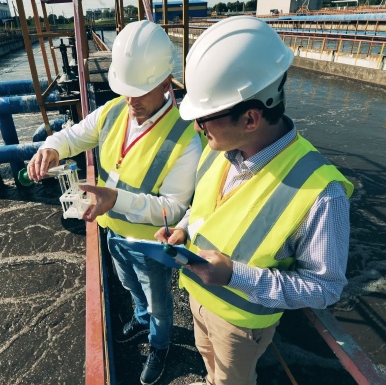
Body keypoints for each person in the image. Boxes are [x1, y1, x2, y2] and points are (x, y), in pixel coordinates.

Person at [153, 16, 354, 385]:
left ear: (250, 118)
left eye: (205, 118)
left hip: (241, 327)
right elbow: (206, 211)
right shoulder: (219, 148)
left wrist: (234, 274)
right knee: (211, 367)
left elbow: (325, 288)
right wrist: (183, 230)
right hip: (198, 299)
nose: (197, 126)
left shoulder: (322, 192)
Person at [26, 20, 202, 385]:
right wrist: (50, 148)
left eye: (140, 91)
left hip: (148, 243)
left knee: (158, 301)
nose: (131, 100)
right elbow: (74, 135)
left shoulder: (186, 139)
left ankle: (160, 343)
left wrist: (115, 198)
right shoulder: (112, 113)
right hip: (112, 232)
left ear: (167, 85)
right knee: (128, 285)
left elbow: (174, 209)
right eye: (126, 90)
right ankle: (139, 318)